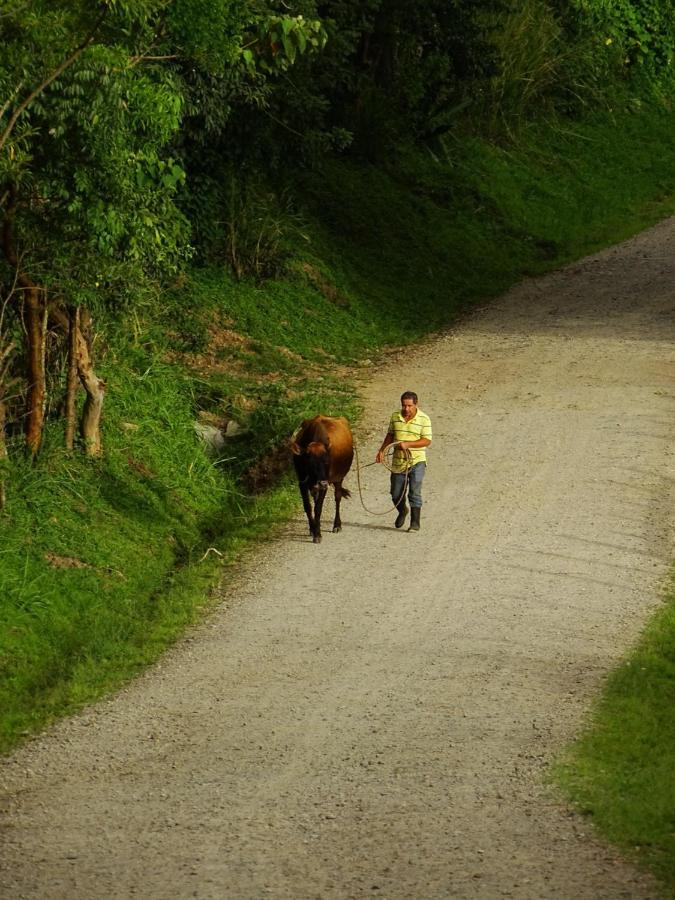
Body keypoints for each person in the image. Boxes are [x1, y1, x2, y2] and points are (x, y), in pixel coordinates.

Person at [376, 391, 432, 532]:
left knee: (414, 492)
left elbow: (427, 440)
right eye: (404, 405)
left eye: (409, 406)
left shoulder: (424, 419)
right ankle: (402, 510)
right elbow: (390, 435)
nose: (406, 409)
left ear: (416, 404)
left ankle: (415, 523)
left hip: (417, 461)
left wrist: (408, 444)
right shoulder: (395, 417)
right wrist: (382, 451)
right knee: (395, 493)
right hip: (398, 462)